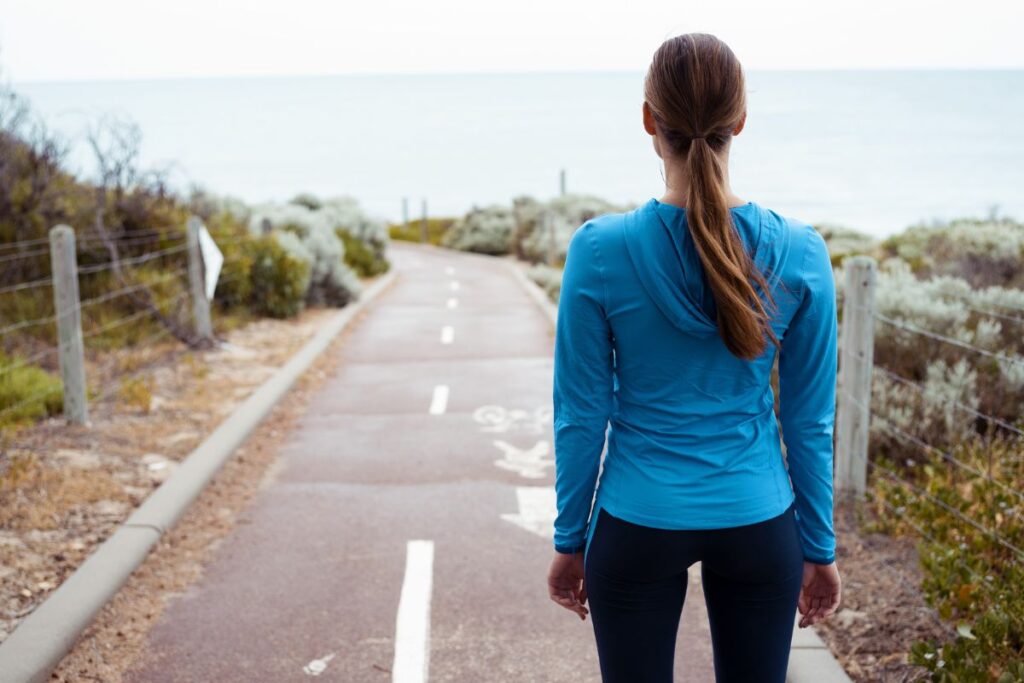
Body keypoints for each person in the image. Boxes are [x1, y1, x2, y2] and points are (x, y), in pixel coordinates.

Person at [545, 32, 843, 683]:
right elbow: (809, 420)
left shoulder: (599, 250)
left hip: (635, 518)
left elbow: (580, 413)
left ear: (650, 120)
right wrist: (817, 545)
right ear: (740, 121)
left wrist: (571, 539)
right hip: (759, 518)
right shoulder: (801, 251)